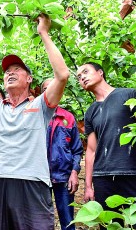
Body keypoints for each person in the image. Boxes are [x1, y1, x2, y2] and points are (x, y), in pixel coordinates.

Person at [0, 13, 70, 230]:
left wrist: (43, 33)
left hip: (32, 182)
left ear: (29, 79)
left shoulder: (40, 106)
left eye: (16, 70)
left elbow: (62, 76)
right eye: (7, 72)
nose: (10, 73)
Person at [76, 62, 136, 229]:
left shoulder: (130, 95)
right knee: (109, 226)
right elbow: (91, 150)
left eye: (85, 72)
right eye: (79, 77)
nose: (82, 77)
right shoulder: (90, 111)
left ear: (100, 72)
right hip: (103, 178)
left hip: (133, 174)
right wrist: (88, 186)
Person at [42, 78, 83, 230]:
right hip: (39, 178)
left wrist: (74, 173)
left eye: (53, 87)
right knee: (41, 222)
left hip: (63, 176)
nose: (50, 91)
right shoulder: (35, 116)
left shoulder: (68, 117)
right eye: (46, 88)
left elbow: (77, 150)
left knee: (67, 221)